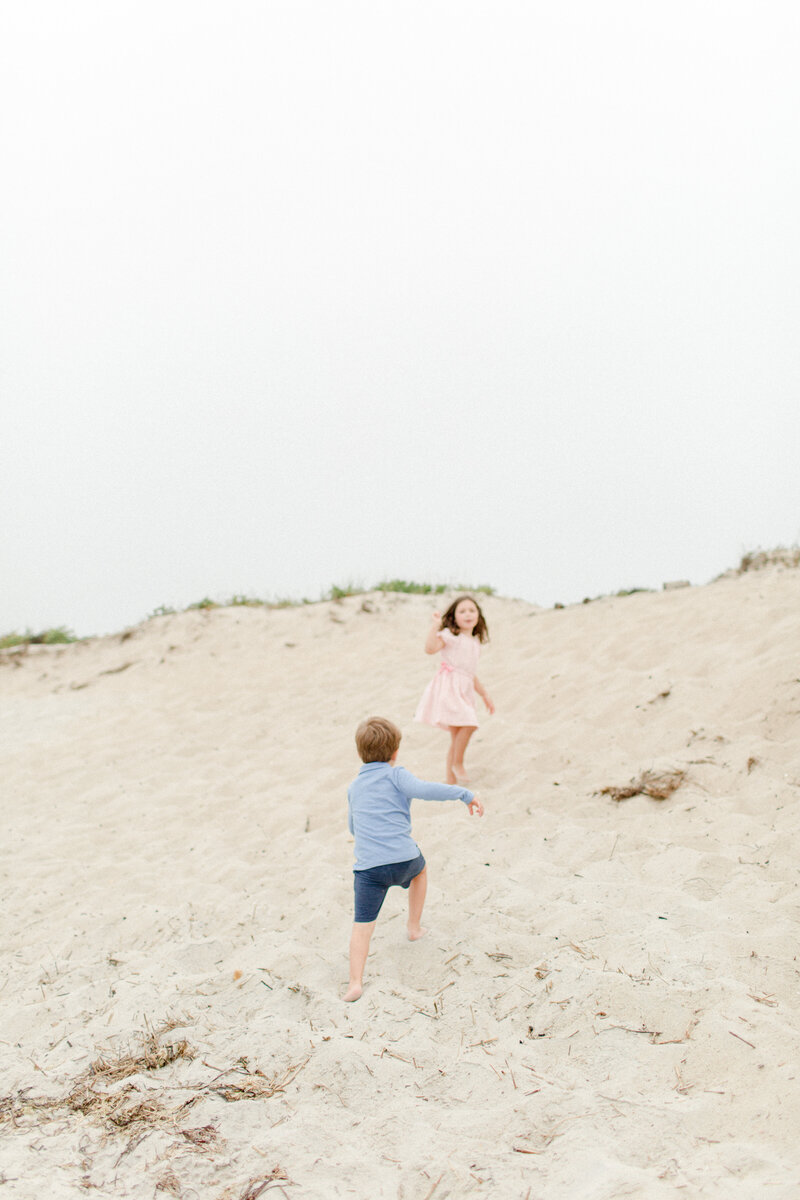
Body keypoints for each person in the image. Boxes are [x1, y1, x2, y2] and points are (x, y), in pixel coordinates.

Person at [344, 716, 483, 1002]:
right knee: (421, 872)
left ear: (361, 753)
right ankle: (414, 927)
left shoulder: (354, 787)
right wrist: (464, 794)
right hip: (403, 860)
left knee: (362, 926)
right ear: (395, 752)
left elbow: (353, 827)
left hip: (369, 870)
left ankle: (355, 983)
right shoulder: (397, 775)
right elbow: (426, 790)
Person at [414, 594, 495, 784]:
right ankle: (458, 763)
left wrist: (484, 694)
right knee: (470, 723)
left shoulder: (475, 643)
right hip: (449, 688)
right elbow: (430, 648)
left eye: (472, 610)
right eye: (462, 611)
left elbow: (470, 674)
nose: (467, 614)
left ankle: (450, 780)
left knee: (457, 734)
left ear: (478, 616)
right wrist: (436, 625)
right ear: (454, 617)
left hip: (464, 689)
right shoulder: (452, 637)